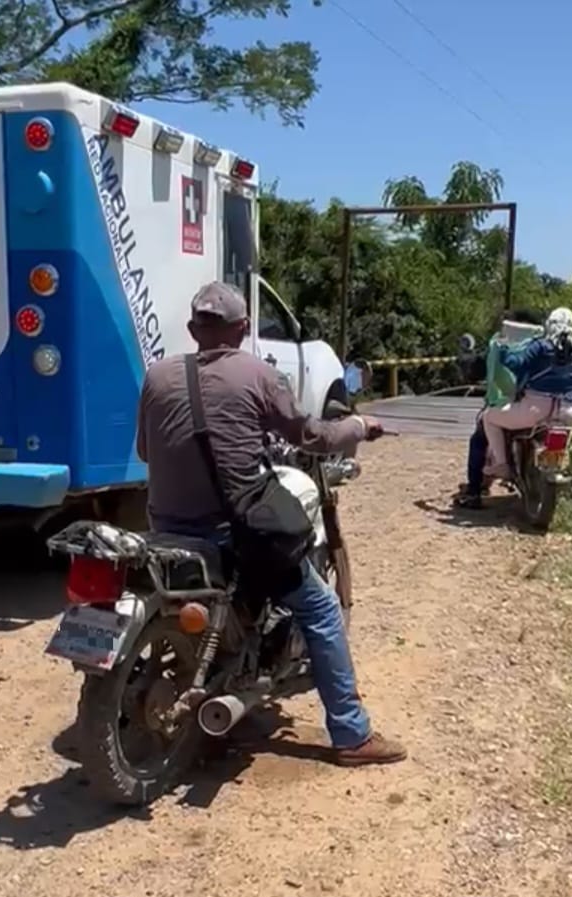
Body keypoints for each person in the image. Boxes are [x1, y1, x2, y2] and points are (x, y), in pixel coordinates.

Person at [136, 281, 407, 767]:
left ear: (193, 329)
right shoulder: (258, 375)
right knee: (321, 609)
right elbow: (312, 435)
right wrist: (359, 426)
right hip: (229, 535)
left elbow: (143, 450)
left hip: (164, 529)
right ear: (242, 329)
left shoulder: (157, 376)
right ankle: (352, 734)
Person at [482, 307, 572, 480]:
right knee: (561, 447)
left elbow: (516, 364)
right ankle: (556, 468)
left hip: (535, 410)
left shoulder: (541, 346)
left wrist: (502, 349)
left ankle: (502, 465)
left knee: (489, 417)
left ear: (549, 324)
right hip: (568, 412)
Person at [454, 309, 544, 509]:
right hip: (548, 408)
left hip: (511, 405)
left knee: (479, 438)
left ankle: (474, 492)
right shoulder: (543, 345)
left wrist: (465, 356)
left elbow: (485, 371)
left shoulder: (500, 345)